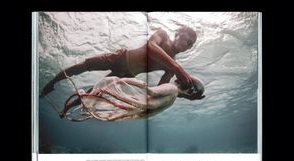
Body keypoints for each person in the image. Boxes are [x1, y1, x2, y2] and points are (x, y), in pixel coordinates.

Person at [40, 26, 198, 97]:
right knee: (84, 66)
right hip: (121, 57)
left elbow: (159, 91)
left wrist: (180, 93)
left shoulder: (172, 68)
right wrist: (177, 67)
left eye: (191, 44)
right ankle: (52, 83)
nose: (187, 45)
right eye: (187, 39)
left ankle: (69, 107)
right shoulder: (162, 34)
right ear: (178, 33)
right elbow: (151, 46)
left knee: (95, 91)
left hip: (127, 73)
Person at [60, 76, 205, 121]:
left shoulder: (171, 88)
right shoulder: (173, 98)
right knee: (109, 106)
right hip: (139, 112)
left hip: (138, 105)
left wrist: (126, 81)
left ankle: (75, 106)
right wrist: (190, 97)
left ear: (180, 81)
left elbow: (152, 92)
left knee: (106, 85)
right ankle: (81, 107)